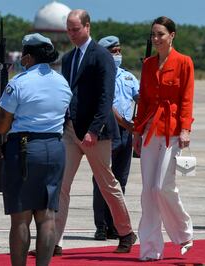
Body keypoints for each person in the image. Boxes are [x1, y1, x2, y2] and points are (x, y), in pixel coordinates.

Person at [55, 9, 137, 254]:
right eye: (68, 30)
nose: (71, 34)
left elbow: (105, 98)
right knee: (61, 186)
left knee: (107, 184)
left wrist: (93, 129)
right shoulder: (68, 58)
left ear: (88, 27)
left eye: (76, 29)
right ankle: (54, 241)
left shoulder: (102, 56)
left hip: (96, 133)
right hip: (71, 130)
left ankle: (125, 232)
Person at [0, 33, 72, 266]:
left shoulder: (20, 82)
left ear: (27, 57)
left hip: (25, 149)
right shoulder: (62, 82)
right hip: (55, 148)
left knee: (21, 218)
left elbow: (2, 126)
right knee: (47, 216)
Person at [133, 16, 194, 261]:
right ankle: (150, 248)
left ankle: (184, 232)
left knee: (162, 186)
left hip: (172, 130)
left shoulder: (184, 62)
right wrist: (137, 131)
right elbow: (145, 100)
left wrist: (185, 129)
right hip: (149, 129)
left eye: (161, 34)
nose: (156, 39)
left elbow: (187, 98)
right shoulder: (148, 64)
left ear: (172, 35)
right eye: (153, 35)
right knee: (148, 191)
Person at [92, 35, 139, 241]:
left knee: (121, 179)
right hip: (106, 130)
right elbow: (107, 106)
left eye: (119, 50)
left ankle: (114, 225)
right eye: (113, 51)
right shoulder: (100, 76)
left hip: (126, 133)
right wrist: (126, 123)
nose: (117, 54)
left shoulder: (129, 77)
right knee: (103, 179)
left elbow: (140, 97)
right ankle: (101, 225)